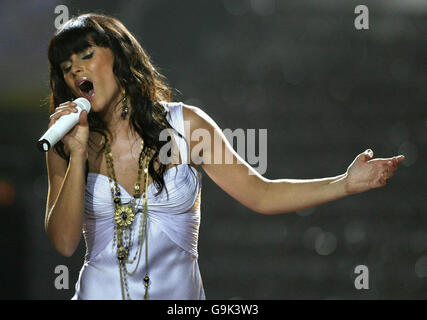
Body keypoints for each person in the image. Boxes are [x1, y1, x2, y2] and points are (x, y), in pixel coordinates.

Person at [44, 13, 405, 300]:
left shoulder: (186, 125)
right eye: (66, 66)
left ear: (118, 58)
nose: (76, 70)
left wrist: (343, 183)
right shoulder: (66, 144)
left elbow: (260, 193)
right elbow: (64, 242)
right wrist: (77, 153)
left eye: (86, 55)